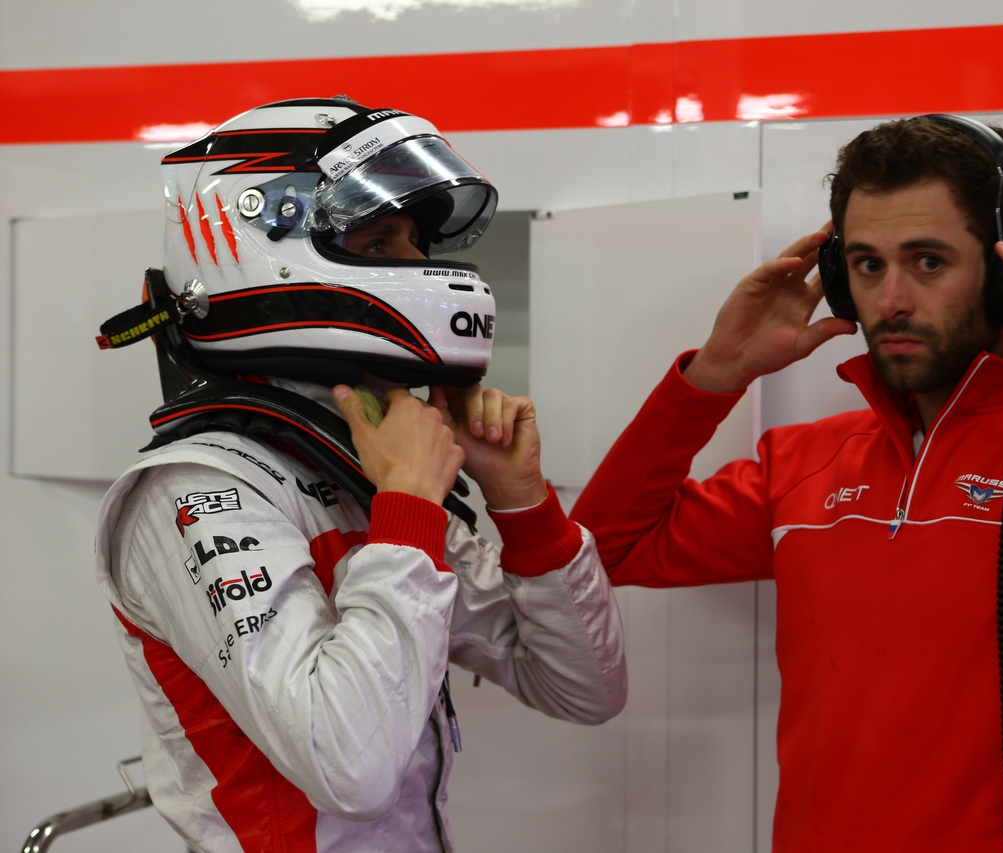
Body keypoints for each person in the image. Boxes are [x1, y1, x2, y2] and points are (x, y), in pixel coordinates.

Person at [570, 115, 1003, 851]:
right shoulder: (804, 462)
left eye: (927, 261)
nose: (891, 300)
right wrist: (713, 377)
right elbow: (602, 549)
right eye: (867, 265)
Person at [94, 97, 626, 853]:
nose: (417, 267)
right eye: (381, 242)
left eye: (414, 241)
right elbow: (351, 767)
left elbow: (587, 688)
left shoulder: (363, 459)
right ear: (256, 248)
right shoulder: (193, 487)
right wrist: (408, 505)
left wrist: (521, 501)